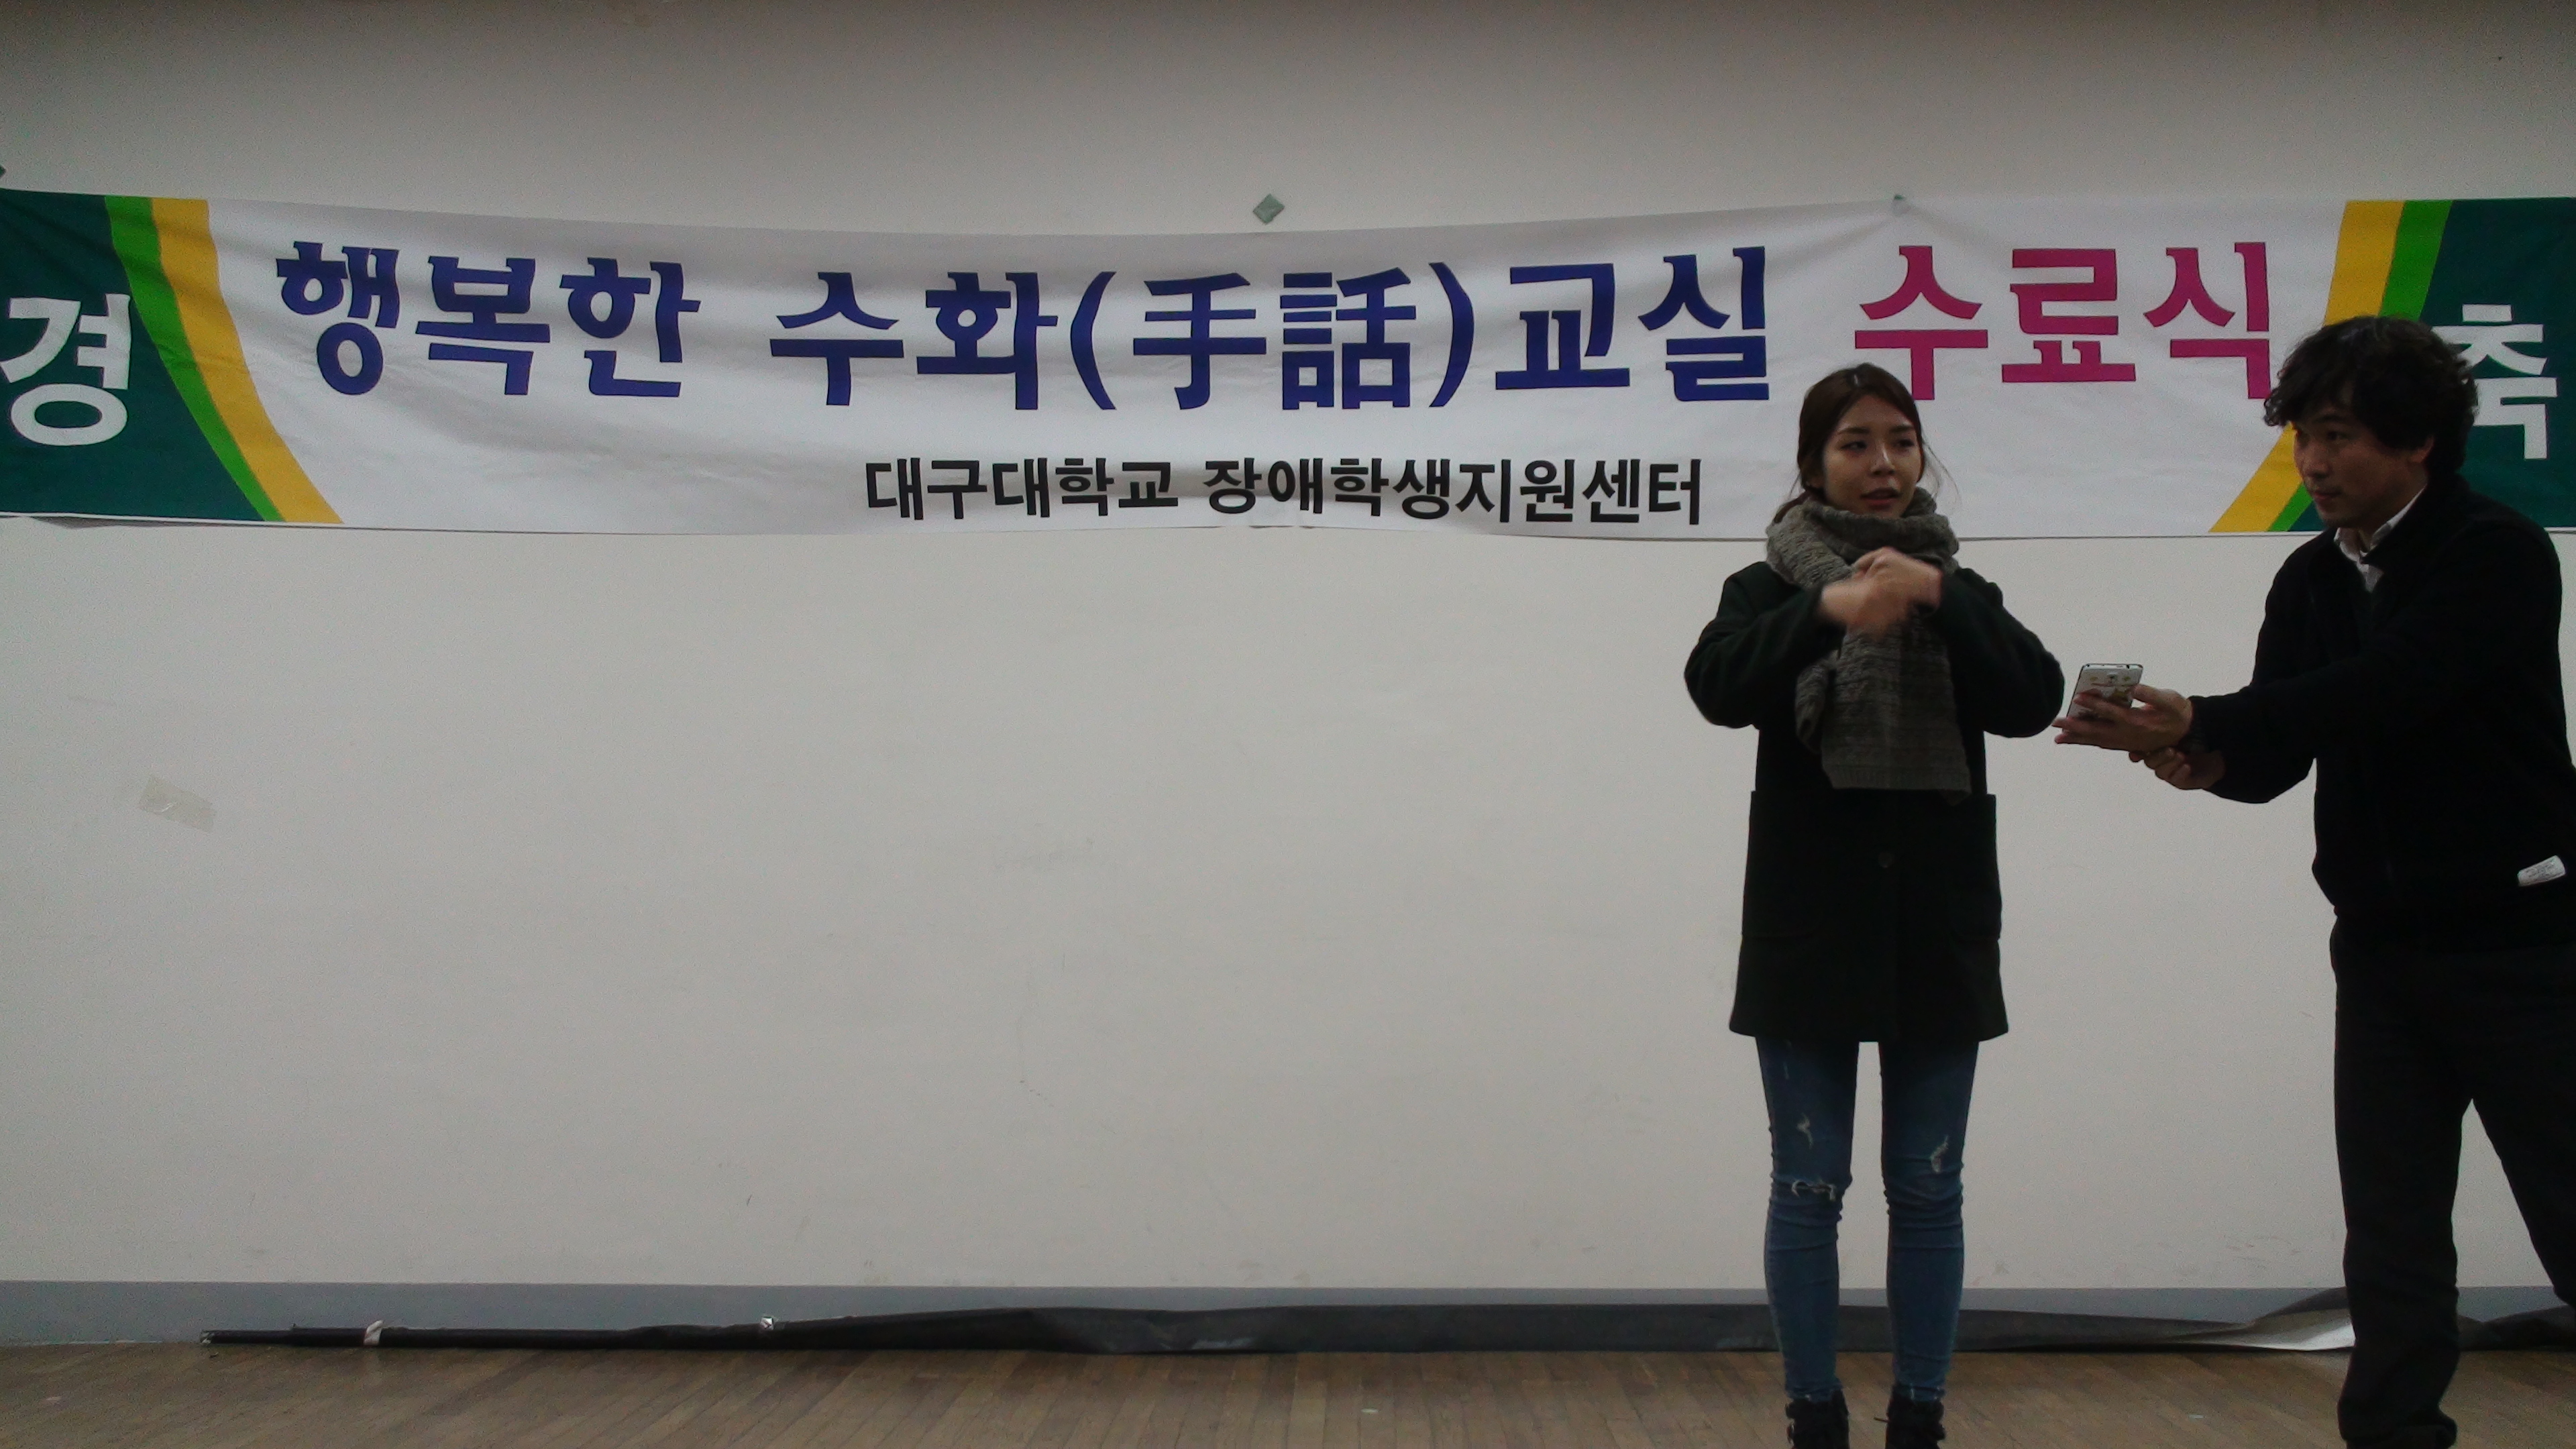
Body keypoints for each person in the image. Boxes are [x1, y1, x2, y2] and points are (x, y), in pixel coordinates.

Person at [2053, 315, 2576, 1449]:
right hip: (2380, 949)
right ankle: (2391, 1434)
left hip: (2526, 943)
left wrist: (2213, 717)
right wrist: (2196, 756)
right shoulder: (2311, 574)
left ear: (2419, 438)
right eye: (2302, 437)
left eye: (2337, 436)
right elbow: (2280, 752)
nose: (2314, 464)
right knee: (2390, 1233)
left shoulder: (2496, 552)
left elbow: (2392, 688)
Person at [1686, 364, 2065, 1449]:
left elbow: (2031, 697)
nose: (1883, 463)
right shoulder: (1766, 589)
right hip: (1810, 923)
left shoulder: (1961, 586)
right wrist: (1826, 611)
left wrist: (1939, 599)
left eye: (1900, 440)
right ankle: (1813, 1415)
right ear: (1814, 466)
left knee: (1929, 1187)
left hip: (1938, 923)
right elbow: (1717, 689)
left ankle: (1919, 1417)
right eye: (1855, 443)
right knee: (1809, 1183)